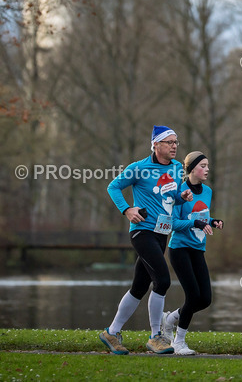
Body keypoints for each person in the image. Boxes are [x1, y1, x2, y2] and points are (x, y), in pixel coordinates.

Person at [99, 125, 193, 355]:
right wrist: (127, 209)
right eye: (169, 142)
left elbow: (170, 199)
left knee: (138, 287)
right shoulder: (139, 168)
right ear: (156, 145)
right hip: (142, 232)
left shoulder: (176, 168)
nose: (174, 146)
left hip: (162, 233)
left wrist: (182, 197)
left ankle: (112, 332)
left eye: (176, 142)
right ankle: (155, 336)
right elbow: (113, 187)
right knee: (162, 280)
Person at [160, 151, 223, 355]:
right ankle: (178, 342)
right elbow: (173, 223)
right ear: (191, 169)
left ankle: (169, 319)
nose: (207, 169)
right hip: (179, 249)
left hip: (198, 249)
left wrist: (212, 221)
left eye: (208, 166)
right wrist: (195, 223)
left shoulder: (207, 191)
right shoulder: (179, 190)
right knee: (193, 295)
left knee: (204, 299)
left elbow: (201, 214)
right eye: (203, 166)